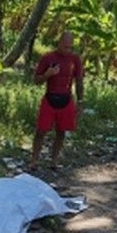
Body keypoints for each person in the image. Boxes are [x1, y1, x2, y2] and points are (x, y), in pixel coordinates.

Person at [30, 31, 84, 170]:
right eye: (65, 46)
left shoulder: (75, 59)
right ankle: (34, 161)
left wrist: (81, 101)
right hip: (50, 98)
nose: (68, 50)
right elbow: (36, 80)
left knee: (61, 132)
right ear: (59, 43)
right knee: (41, 131)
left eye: (70, 47)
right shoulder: (48, 58)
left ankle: (54, 161)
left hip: (66, 99)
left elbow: (79, 81)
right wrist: (47, 75)